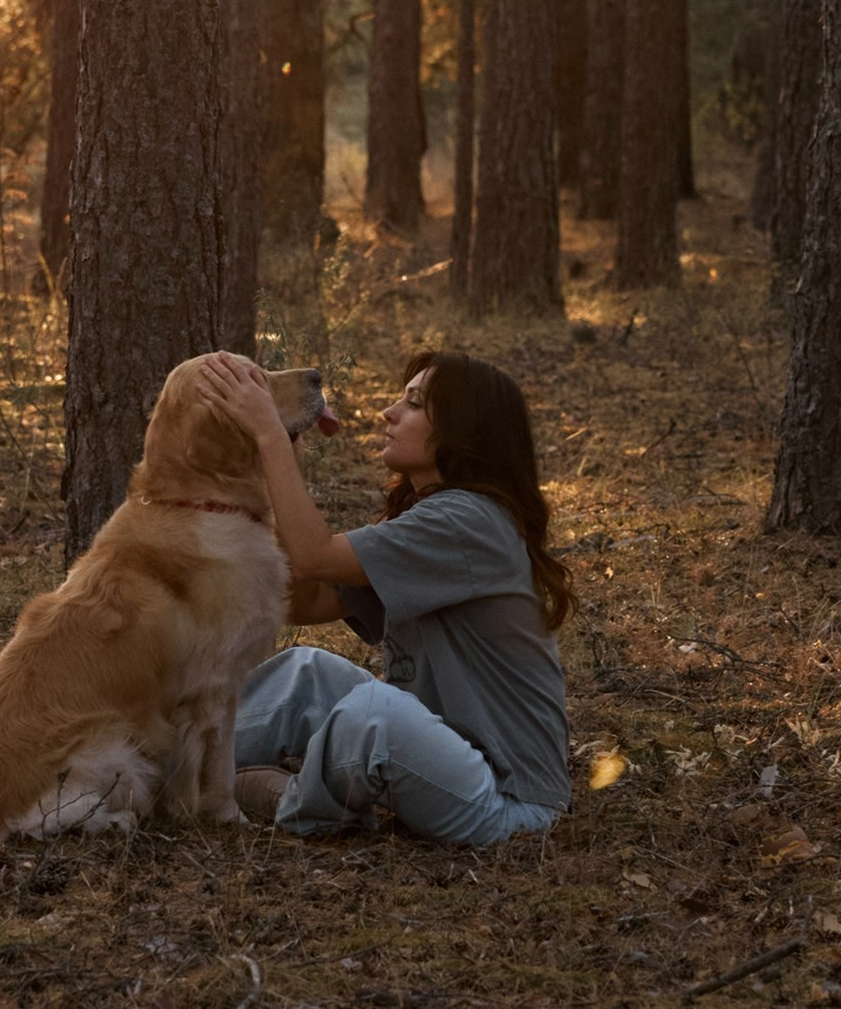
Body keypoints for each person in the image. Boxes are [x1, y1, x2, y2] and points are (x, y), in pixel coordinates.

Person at [194, 349, 574, 846]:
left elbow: (313, 557)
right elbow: (306, 603)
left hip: (509, 804)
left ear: (462, 430)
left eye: (413, 404)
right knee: (305, 671)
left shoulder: (467, 522)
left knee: (374, 714)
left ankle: (287, 799)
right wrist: (278, 456)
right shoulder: (433, 517)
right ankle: (164, 767)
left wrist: (269, 437)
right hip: (448, 758)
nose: (388, 413)